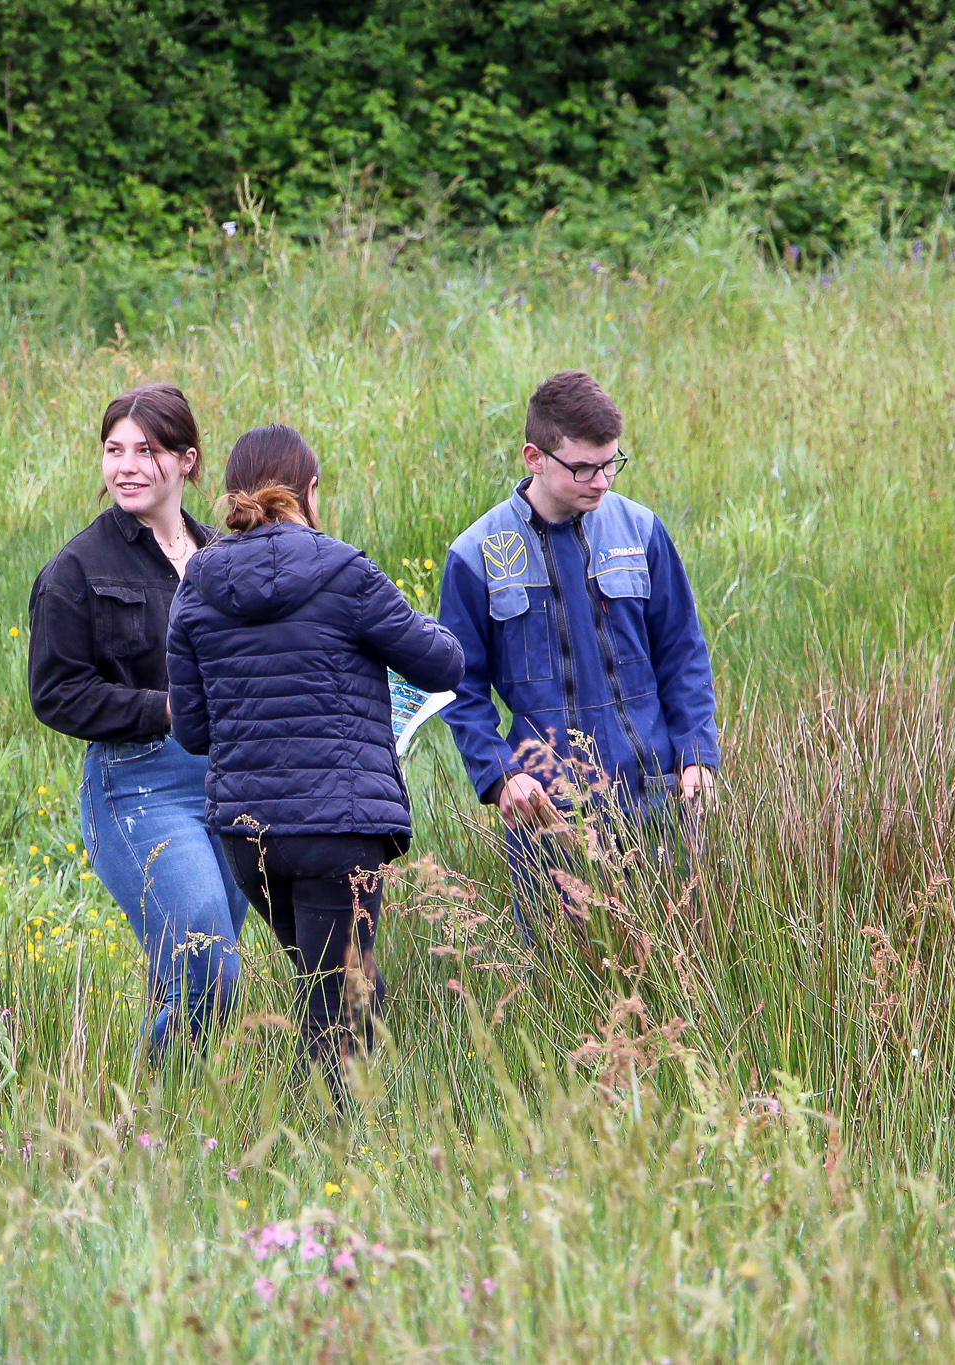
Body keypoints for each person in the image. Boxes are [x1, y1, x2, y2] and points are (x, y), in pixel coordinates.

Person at [168, 425, 463, 1085]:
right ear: (307, 489)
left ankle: (350, 1136)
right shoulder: (342, 571)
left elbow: (192, 729)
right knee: (338, 1015)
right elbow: (443, 662)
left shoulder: (197, 584)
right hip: (338, 829)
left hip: (249, 840)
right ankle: (328, 1158)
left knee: (342, 987)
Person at [436, 370, 720, 927]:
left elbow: (684, 653)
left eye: (611, 463)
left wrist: (697, 754)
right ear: (534, 457)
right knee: (560, 986)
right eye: (583, 467)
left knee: (672, 979)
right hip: (548, 814)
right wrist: (498, 775)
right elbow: (459, 687)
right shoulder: (476, 556)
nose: (601, 481)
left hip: (658, 799)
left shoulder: (641, 531)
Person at [28, 384, 249, 1060]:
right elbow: (56, 693)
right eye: (113, 450)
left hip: (231, 785)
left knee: (187, 971)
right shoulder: (77, 568)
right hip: (138, 786)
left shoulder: (224, 556)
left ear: (187, 460)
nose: (125, 465)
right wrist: (164, 707)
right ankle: (154, 1112)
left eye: (145, 450)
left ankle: (166, 1138)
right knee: (207, 961)